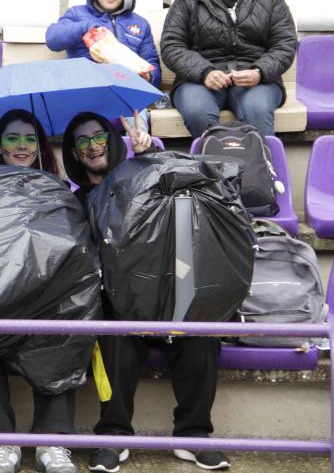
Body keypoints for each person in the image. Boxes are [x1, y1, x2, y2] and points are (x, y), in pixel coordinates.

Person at [61, 112, 229, 472]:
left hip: (169, 295)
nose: (93, 146)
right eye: (83, 141)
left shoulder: (144, 175)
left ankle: (193, 435)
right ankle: (113, 435)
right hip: (119, 306)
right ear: (75, 154)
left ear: (111, 138)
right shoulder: (77, 201)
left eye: (98, 136)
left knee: (202, 335)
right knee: (112, 336)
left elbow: (186, 191)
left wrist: (150, 153)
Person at [0, 109, 77, 473]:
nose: (22, 146)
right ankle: (1, 442)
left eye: (30, 138)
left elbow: (73, 243)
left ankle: (53, 441)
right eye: (12, 138)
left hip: (48, 296)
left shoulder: (57, 188)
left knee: (65, 332)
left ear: (40, 145)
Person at [160, 0, 297, 138]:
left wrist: (259, 71)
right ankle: (217, 167)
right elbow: (172, 45)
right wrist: (205, 72)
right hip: (200, 80)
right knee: (198, 110)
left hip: (256, 78)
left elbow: (285, 43)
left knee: (257, 110)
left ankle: (260, 168)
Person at [46, 0, 160, 132]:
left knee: (136, 110)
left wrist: (149, 77)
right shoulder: (77, 14)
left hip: (125, 94)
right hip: (86, 92)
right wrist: (85, 27)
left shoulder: (140, 24)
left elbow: (153, 65)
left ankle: (140, 150)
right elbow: (52, 38)